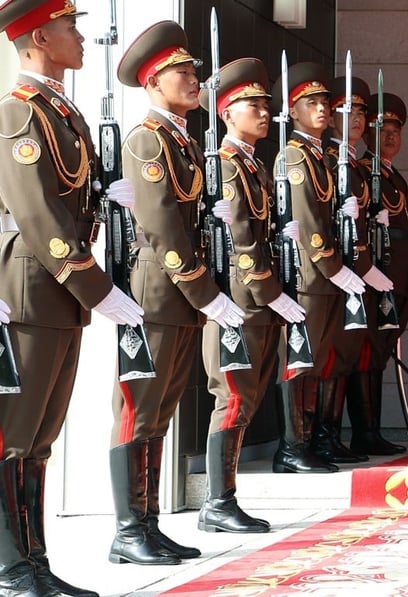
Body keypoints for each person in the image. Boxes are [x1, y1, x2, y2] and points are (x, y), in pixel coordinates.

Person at [0, 2, 143, 594]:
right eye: (70, 28)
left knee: (41, 436)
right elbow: (37, 214)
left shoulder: (62, 111)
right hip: (35, 287)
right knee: (14, 434)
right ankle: (10, 566)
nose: (81, 38)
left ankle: (35, 561)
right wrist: (98, 287)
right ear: (39, 37)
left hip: (59, 295)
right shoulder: (18, 113)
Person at [108, 21, 246, 566]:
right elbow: (161, 224)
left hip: (180, 298)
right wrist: (204, 291)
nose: (194, 80)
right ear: (152, 81)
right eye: (181, 73)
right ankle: (127, 530)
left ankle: (148, 522)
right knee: (138, 411)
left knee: (161, 411)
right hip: (158, 293)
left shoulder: (183, 141)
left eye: (193, 71)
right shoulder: (147, 139)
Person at [196, 58, 306, 533]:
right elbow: (240, 240)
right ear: (225, 112)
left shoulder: (254, 166)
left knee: (249, 398)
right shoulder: (224, 165)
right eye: (251, 104)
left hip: (258, 305)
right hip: (238, 303)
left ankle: (225, 498)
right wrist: (271, 293)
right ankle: (217, 503)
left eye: (265, 103)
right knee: (234, 397)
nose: (264, 111)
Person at [271, 62, 365, 473]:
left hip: (324, 279)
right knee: (300, 359)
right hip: (309, 277)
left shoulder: (320, 156)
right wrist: (333, 266)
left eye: (325, 102)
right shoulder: (294, 155)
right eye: (311, 103)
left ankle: (309, 441)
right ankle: (292, 447)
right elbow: (308, 221)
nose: (323, 109)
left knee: (320, 360)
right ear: (293, 112)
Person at [314, 75, 392, 465]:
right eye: (348, 111)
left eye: (361, 111)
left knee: (345, 357)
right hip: (334, 272)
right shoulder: (326, 158)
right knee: (328, 358)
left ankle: (331, 435)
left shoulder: (354, 163)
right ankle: (319, 438)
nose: (357, 118)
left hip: (355, 273)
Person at [350, 91, 408, 456]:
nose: (390, 137)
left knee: (380, 352)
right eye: (381, 130)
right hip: (379, 274)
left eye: (396, 130)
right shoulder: (364, 171)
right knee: (368, 351)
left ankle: (372, 429)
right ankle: (365, 431)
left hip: (398, 275)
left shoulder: (393, 175)